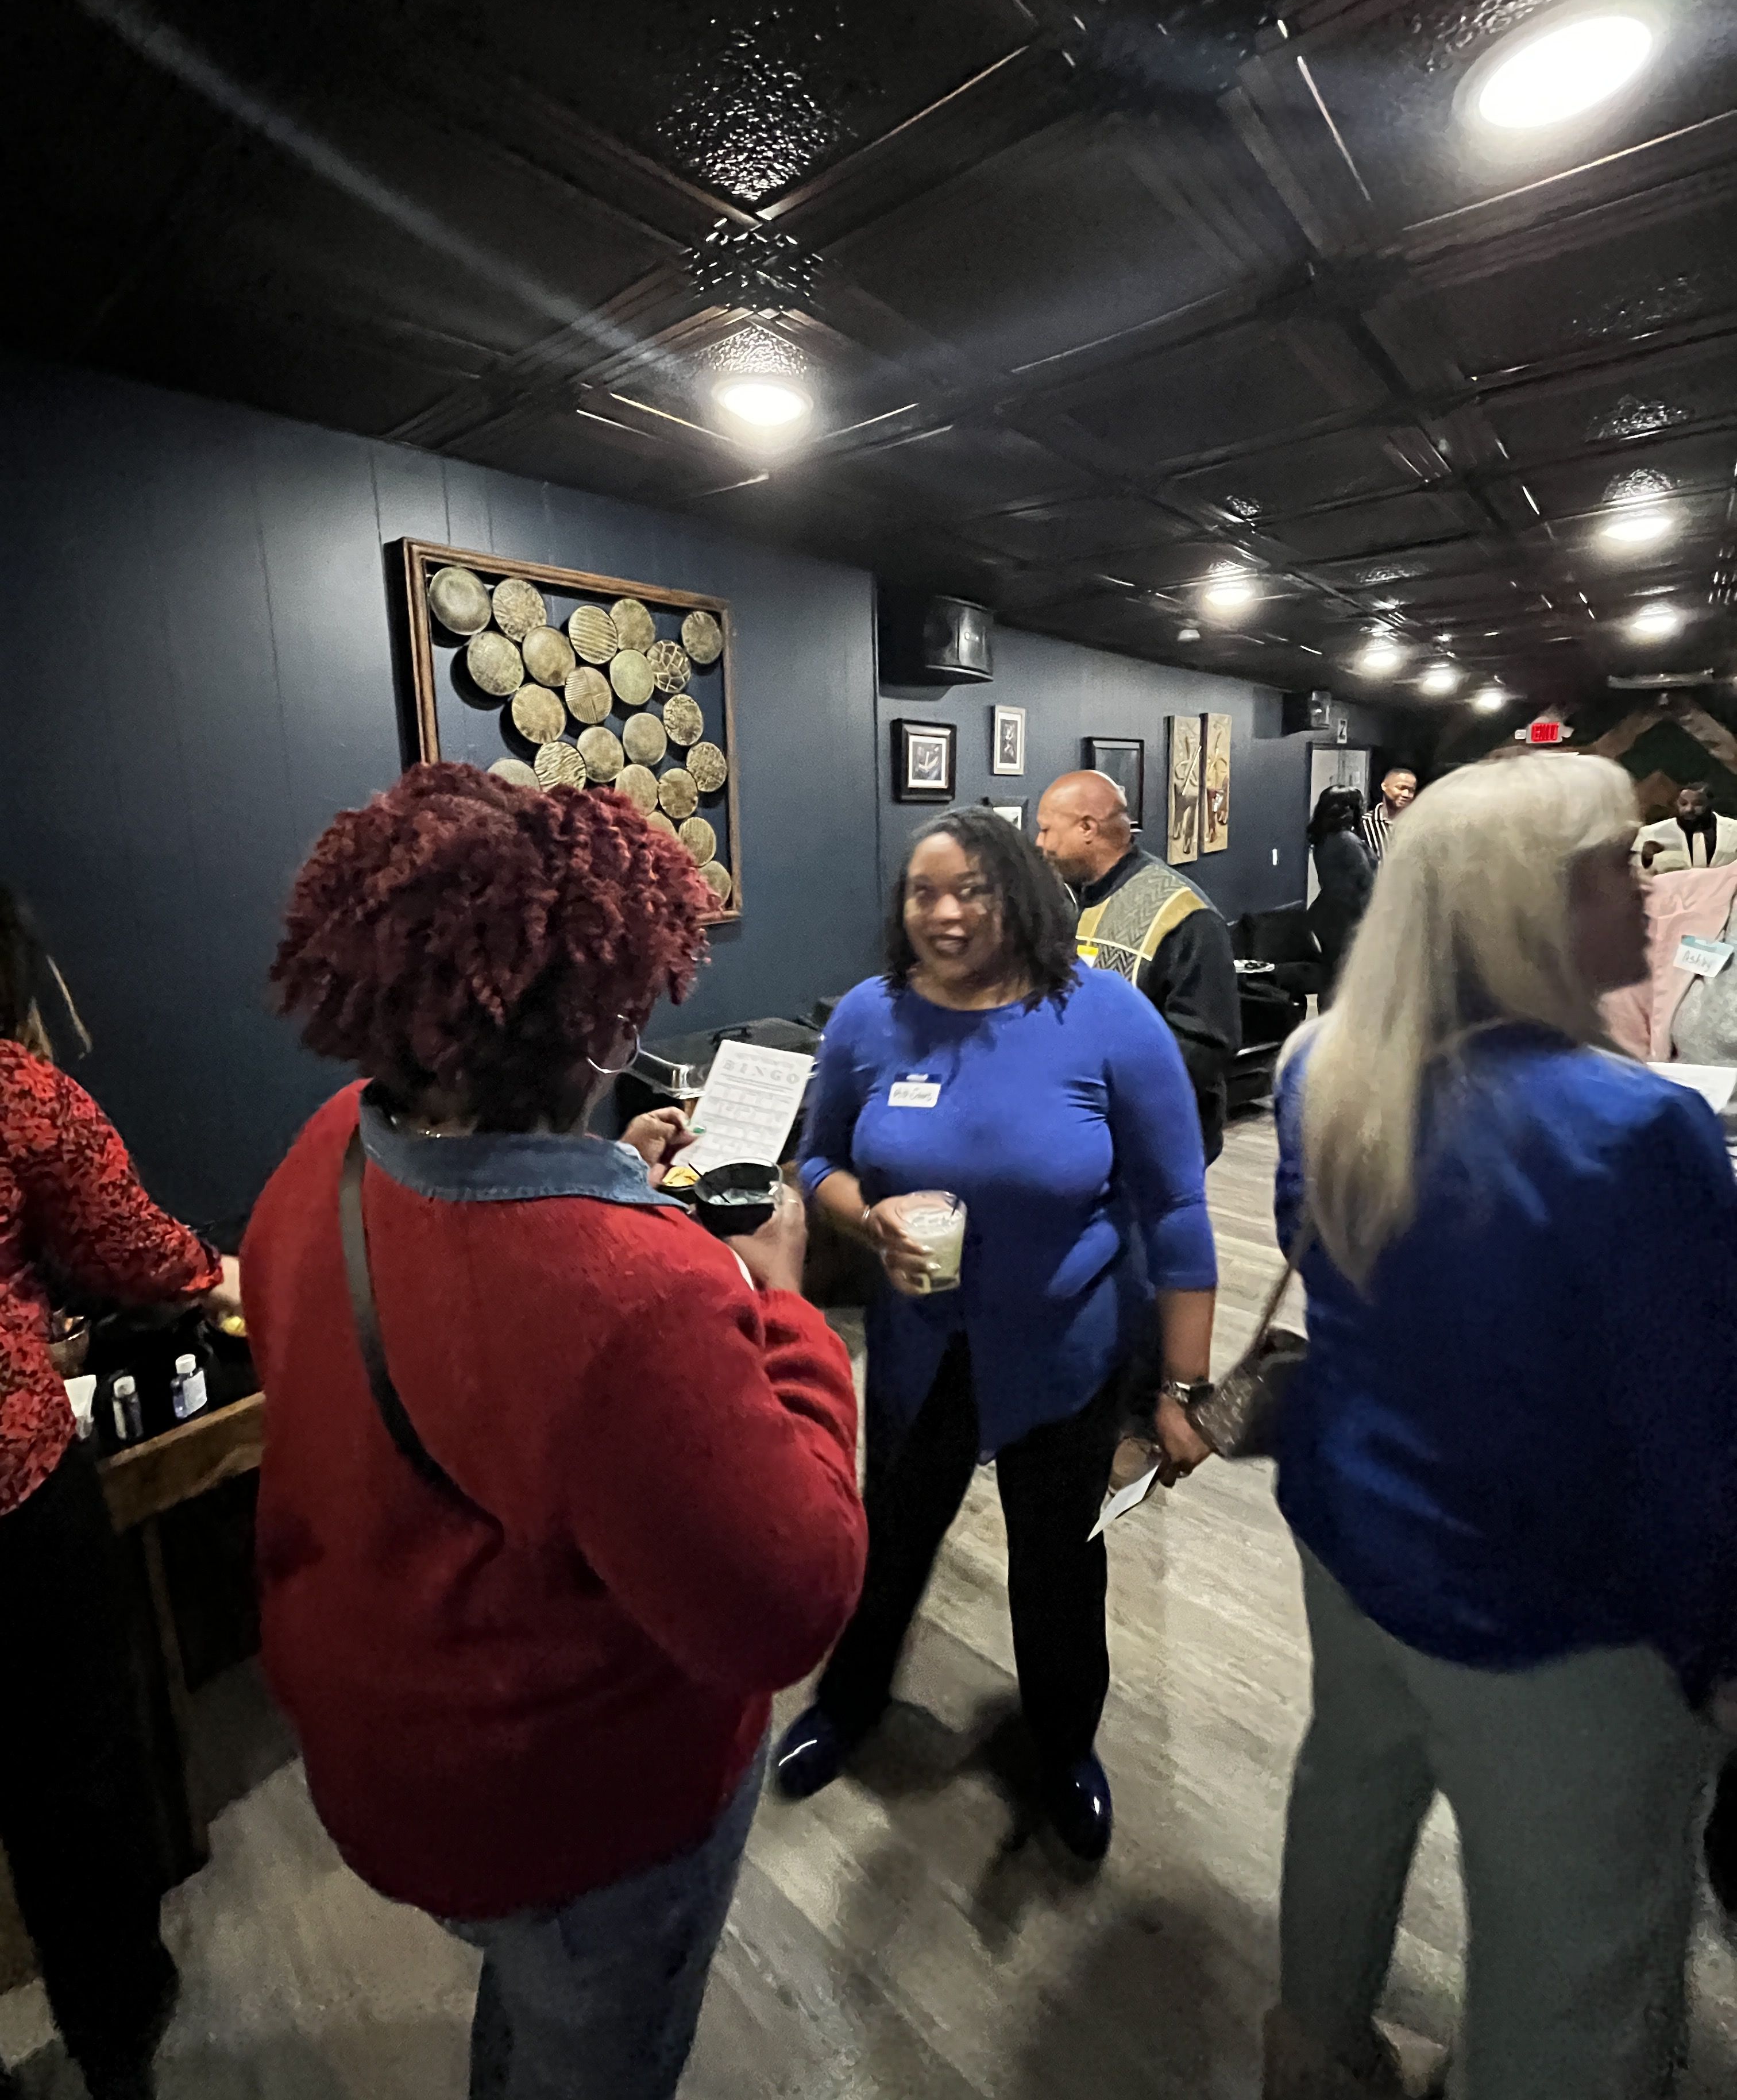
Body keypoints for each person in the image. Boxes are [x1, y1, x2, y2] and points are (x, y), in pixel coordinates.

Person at [241, 765, 866, 2100]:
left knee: (528, 2025)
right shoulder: (632, 1297)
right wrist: (788, 1308)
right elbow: (791, 1602)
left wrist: (619, 1167)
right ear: (606, 1018)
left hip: (384, 1752)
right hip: (571, 1813)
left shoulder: (327, 1147)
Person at [1265, 755, 1737, 2100]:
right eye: (1620, 864)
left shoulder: (1321, 1066)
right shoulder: (1639, 1127)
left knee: (1349, 1793)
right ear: (1528, 902)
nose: (1652, 890)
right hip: (1556, 1611)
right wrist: (1719, 1648)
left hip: (1354, 1540)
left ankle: (1314, 2054)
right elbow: (1693, 1441)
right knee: (1576, 1959)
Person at [773, 808, 1217, 1863]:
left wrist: (1182, 1387)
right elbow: (816, 1160)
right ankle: (847, 1703)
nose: (943, 912)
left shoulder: (1105, 1017)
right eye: (922, 892)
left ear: (1019, 894)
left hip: (1066, 1349)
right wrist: (864, 1215)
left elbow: (1175, 1208)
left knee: (1059, 1566)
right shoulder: (870, 1018)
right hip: (919, 1345)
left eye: (970, 889)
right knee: (887, 1541)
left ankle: (1063, 1747)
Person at [0, 886, 240, 2100]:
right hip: (14, 1503)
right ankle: (116, 2031)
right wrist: (232, 1276)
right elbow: (139, 1252)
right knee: (72, 1783)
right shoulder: (20, 1091)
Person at [1034, 769, 1241, 1163]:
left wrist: (1106, 1083)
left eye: (1046, 830)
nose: (1039, 843)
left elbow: (1207, 1043)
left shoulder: (1185, 915)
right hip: (1082, 1135)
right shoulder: (1064, 901)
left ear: (1088, 828)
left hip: (1160, 1143)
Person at [1306, 785, 1373, 1004]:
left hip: (1328, 916)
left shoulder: (1322, 839)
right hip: (1349, 920)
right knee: (1347, 981)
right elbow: (1367, 883)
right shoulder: (1348, 841)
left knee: (1332, 978)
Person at [1635, 778, 1737, 871]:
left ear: (1710, 803)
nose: (1689, 809)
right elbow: (1636, 874)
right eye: (1683, 804)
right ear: (1676, 804)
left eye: (1698, 804)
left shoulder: (1735, 830)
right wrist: (1646, 857)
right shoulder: (1650, 834)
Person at [1358, 765, 1416, 864]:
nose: (1406, 794)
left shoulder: (1418, 824)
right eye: (1401, 788)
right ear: (1384, 786)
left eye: (1412, 790)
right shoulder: (1363, 824)